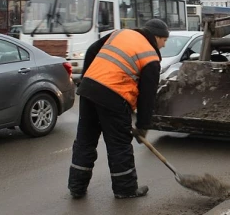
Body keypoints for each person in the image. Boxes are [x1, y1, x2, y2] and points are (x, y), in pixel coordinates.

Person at [68, 19, 169, 199]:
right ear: (156, 37)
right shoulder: (150, 57)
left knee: (85, 140)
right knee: (119, 144)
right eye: (164, 40)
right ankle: (125, 189)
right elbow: (147, 97)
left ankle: (77, 187)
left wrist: (86, 79)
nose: (164, 45)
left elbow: (92, 50)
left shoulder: (120, 33)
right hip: (114, 95)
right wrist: (143, 125)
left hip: (88, 90)